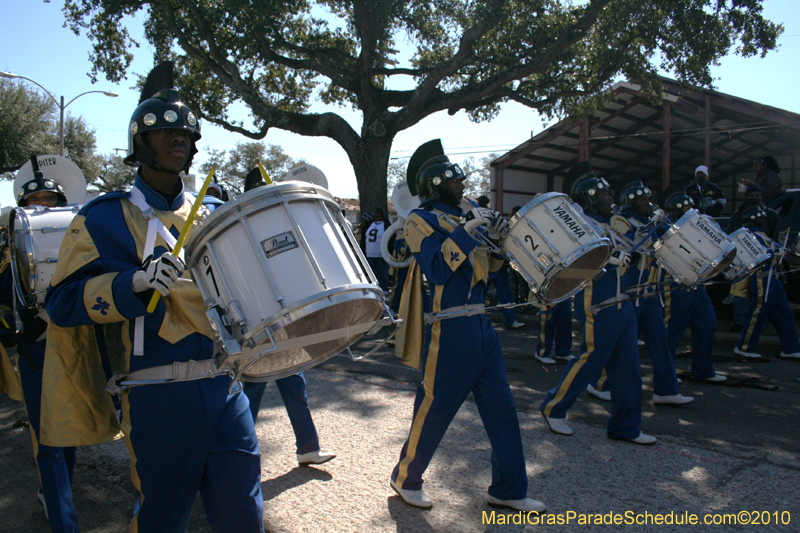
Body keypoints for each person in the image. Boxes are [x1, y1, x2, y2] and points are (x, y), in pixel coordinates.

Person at [43, 62, 264, 532]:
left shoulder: (212, 214)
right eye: (165, 131)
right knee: (162, 519)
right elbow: (61, 303)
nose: (178, 138)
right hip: (157, 396)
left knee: (245, 515)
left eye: (185, 132)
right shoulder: (103, 217)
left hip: (226, 387)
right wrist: (131, 284)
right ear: (141, 144)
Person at [391, 140, 545, 513]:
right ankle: (405, 477)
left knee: (502, 410)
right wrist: (466, 230)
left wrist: (497, 241)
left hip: (480, 324)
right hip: (450, 328)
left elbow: (488, 270)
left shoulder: (463, 216)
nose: (462, 185)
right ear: (435, 185)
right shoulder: (419, 221)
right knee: (435, 409)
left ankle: (509, 489)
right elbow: (437, 270)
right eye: (454, 180)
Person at [540, 163, 655, 445]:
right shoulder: (582, 224)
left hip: (622, 302)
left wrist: (642, 237)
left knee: (628, 368)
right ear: (591, 199)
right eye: (604, 195)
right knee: (590, 360)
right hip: (598, 303)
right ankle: (554, 407)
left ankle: (625, 426)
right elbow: (578, 257)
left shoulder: (607, 224)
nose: (610, 199)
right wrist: (609, 257)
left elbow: (626, 251)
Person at [0, 160, 80, 532]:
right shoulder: (9, 249)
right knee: (48, 438)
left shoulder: (78, 238)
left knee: (73, 429)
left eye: (50, 200)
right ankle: (63, 519)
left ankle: (57, 491)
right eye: (36, 201)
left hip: (75, 348)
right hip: (36, 351)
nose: (43, 206)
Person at [239, 171, 336, 467]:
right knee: (252, 389)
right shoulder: (240, 228)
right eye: (259, 189)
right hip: (259, 319)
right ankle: (241, 455)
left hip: (284, 319)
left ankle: (308, 447)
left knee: (294, 383)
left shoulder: (278, 221)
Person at [609, 181, 693, 405]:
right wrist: (650, 228)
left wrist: (664, 225)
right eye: (641, 199)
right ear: (630, 201)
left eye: (648, 198)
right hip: (631, 290)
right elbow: (630, 246)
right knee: (620, 341)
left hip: (650, 291)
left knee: (659, 342)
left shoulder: (651, 220)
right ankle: (602, 383)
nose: (646, 203)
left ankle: (666, 390)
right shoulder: (620, 219)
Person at [659, 192, 727, 383]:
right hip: (676, 283)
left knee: (707, 323)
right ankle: (666, 373)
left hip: (697, 282)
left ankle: (703, 369)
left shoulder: (695, 225)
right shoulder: (666, 226)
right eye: (686, 207)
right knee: (673, 329)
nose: (691, 211)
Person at [733, 205, 800, 360]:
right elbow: (760, 254)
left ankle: (790, 347)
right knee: (758, 312)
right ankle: (744, 347)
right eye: (761, 219)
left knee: (784, 312)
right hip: (762, 276)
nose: (764, 221)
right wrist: (776, 251)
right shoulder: (748, 235)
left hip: (772, 276)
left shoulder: (759, 235)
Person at [533, 299, 573, 364]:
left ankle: (563, 352)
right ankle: (542, 352)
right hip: (550, 294)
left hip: (564, 294)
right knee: (547, 318)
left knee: (565, 318)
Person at [363, 207, 391, 293]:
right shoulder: (369, 224)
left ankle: (384, 289)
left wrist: (388, 252)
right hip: (369, 254)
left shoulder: (386, 224)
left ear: (379, 214)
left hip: (381, 254)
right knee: (371, 273)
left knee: (382, 273)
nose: (373, 214)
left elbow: (390, 239)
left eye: (374, 212)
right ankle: (372, 289)